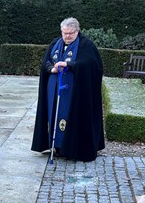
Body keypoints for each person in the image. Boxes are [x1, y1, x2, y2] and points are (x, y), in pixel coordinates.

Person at [31, 17, 105, 162]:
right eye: (64, 33)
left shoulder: (86, 45)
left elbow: (91, 65)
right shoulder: (55, 43)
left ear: (77, 31)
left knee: (70, 116)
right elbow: (45, 62)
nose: (67, 36)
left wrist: (69, 64)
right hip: (54, 89)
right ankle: (55, 145)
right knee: (54, 114)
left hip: (75, 93)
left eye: (70, 33)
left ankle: (70, 147)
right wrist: (51, 68)